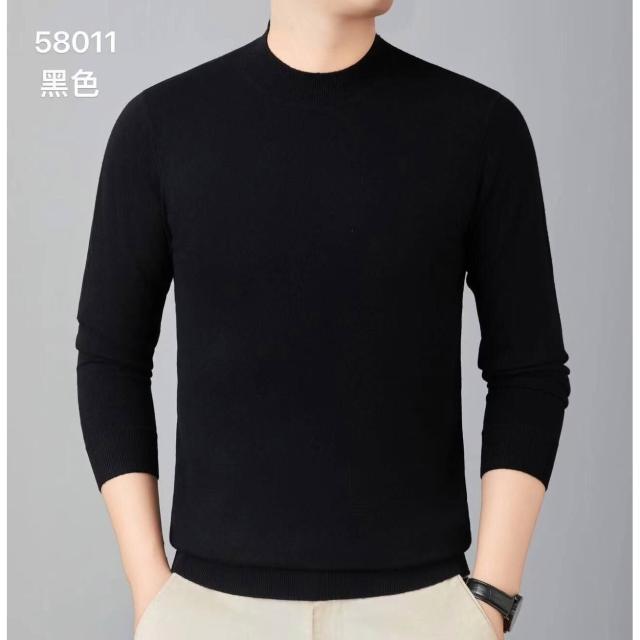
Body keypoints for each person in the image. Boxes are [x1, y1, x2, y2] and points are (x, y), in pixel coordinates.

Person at [75, 1, 570, 638]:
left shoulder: (480, 129)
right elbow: (109, 360)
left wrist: (491, 601)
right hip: (210, 613)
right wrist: (151, 589)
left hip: (423, 613)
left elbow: (529, 371)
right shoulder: (161, 127)